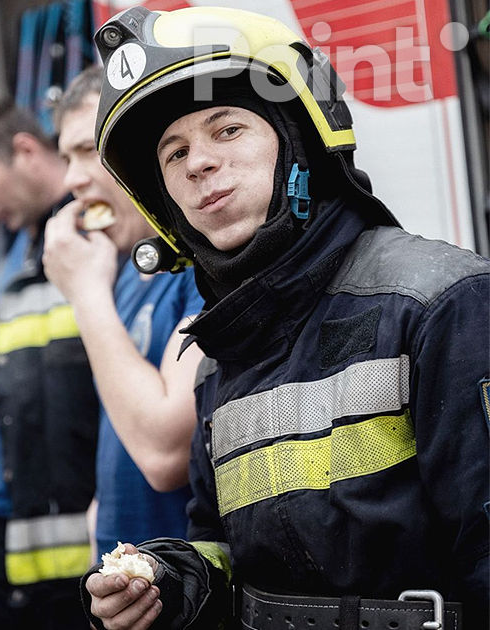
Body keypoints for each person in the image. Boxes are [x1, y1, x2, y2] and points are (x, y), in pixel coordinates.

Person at [81, 7, 489, 630]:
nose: (198, 165)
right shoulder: (218, 358)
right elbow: (229, 552)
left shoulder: (441, 304)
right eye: (174, 152)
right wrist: (173, 585)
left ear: (299, 139)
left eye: (227, 130)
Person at [41, 66, 204, 559]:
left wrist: (85, 292)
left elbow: (164, 453)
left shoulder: (204, 268)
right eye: (66, 156)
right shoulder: (132, 272)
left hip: (192, 590)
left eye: (89, 150)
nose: (72, 178)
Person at [0, 98, 96, 629]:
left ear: (25, 150)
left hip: (71, 555)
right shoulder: (18, 241)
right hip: (1, 529)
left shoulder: (90, 239)